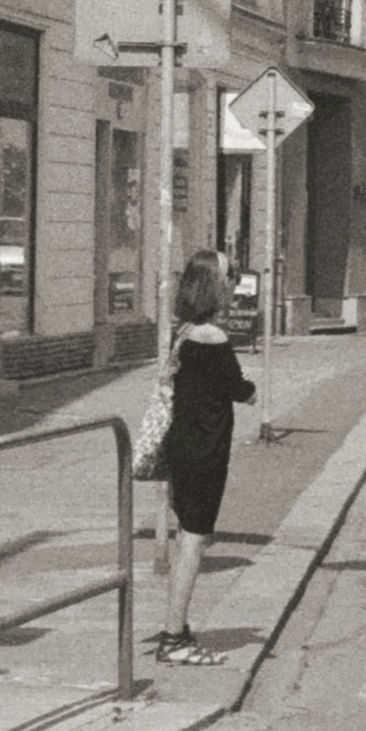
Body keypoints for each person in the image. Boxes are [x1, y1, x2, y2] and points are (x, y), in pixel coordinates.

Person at [156, 253, 256, 665]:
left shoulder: (183, 333)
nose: (234, 282)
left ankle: (176, 627)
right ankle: (174, 637)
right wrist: (251, 389)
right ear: (214, 285)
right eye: (229, 275)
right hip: (204, 450)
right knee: (195, 541)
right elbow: (239, 389)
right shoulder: (212, 338)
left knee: (187, 538)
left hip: (183, 446)